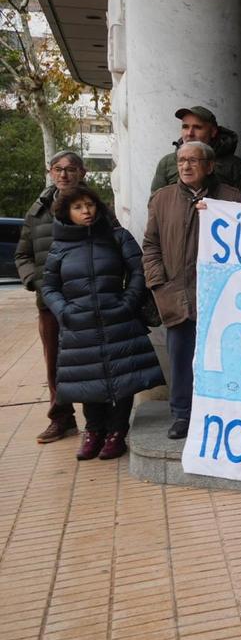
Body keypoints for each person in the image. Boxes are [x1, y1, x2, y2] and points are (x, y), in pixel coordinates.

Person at [40, 186, 164, 460]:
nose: (86, 211)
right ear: (66, 213)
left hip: (117, 319)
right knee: (89, 379)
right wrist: (65, 312)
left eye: (90, 204)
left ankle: (117, 433)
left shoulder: (117, 236)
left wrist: (128, 302)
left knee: (123, 377)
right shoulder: (59, 247)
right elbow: (48, 287)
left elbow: (139, 270)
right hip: (79, 325)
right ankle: (93, 431)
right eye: (78, 207)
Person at [143, 141, 241, 439]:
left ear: (209, 166)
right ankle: (183, 415)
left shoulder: (232, 199)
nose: (185, 166)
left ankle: (224, 415)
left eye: (193, 161)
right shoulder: (162, 199)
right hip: (177, 293)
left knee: (224, 358)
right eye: (181, 161)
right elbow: (151, 245)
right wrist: (158, 283)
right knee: (181, 357)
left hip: (220, 297)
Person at [15, 151, 96, 443]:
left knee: (90, 362)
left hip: (86, 301)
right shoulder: (37, 211)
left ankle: (97, 423)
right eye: (57, 169)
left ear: (82, 173)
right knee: (55, 363)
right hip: (49, 304)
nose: (63, 174)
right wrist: (37, 283)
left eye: (70, 169)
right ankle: (61, 418)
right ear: (50, 172)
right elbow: (23, 255)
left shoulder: (93, 207)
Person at [150, 105, 241, 192]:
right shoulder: (167, 162)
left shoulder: (234, 166)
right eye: (185, 127)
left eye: (197, 127)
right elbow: (156, 202)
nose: (190, 133)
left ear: (213, 132)